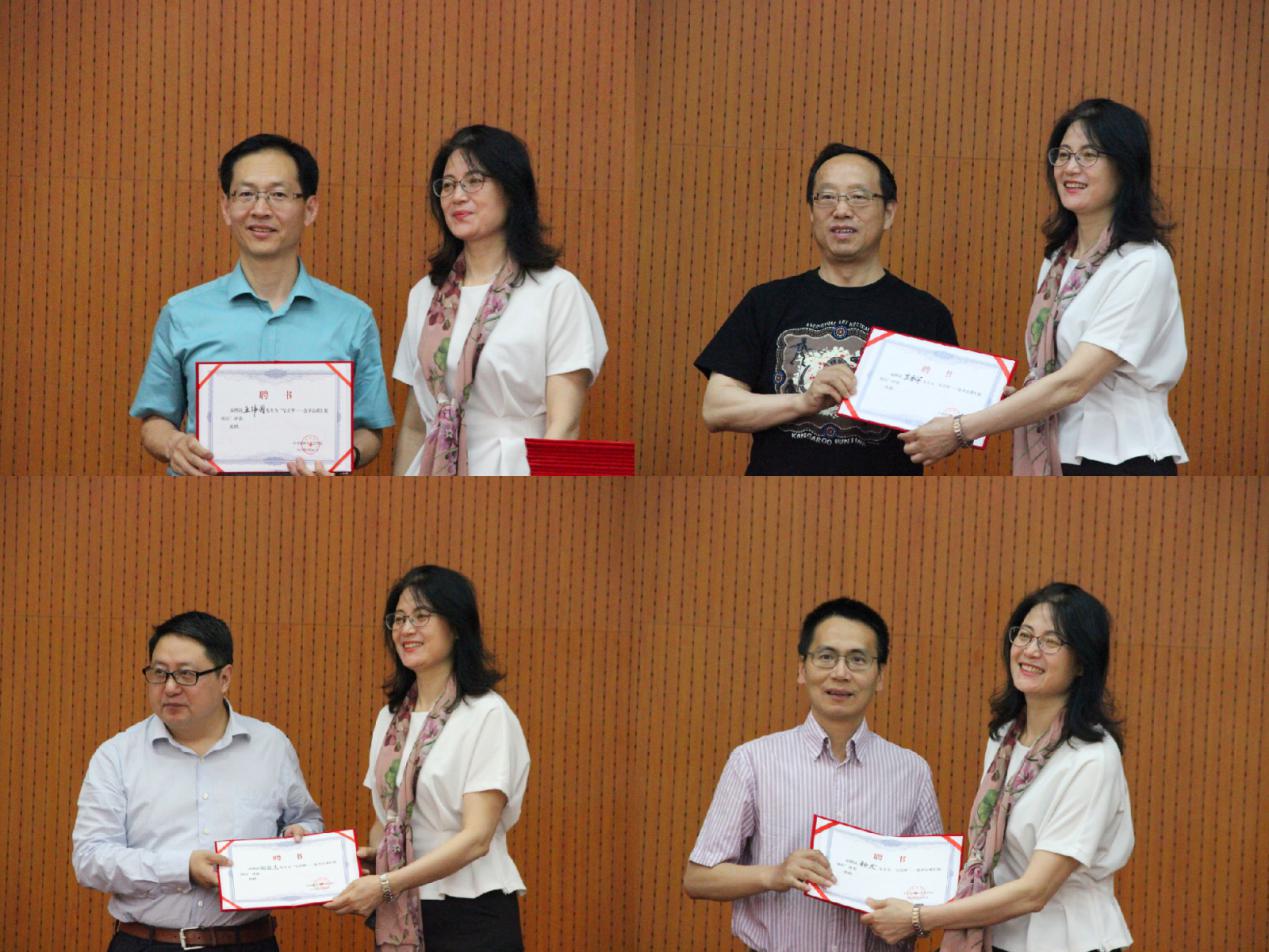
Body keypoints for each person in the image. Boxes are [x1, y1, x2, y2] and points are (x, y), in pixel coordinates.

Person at [900, 99, 1186, 475]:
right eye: (1063, 154)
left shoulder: (1142, 263)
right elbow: (1056, 377)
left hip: (1121, 457)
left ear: (1125, 166)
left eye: (1088, 155)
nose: (1070, 168)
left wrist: (960, 430)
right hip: (1057, 450)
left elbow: (1073, 384)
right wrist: (1009, 401)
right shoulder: (1059, 260)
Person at [862, 583, 1133, 951]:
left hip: (1067, 940)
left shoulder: (1091, 758)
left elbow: (1035, 891)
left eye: (1051, 641)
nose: (1030, 651)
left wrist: (918, 917)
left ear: (1083, 662)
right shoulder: (1005, 737)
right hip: (997, 934)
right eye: (1025, 635)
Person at [684, 597, 943, 952]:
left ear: (880, 675)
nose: (841, 673)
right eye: (826, 657)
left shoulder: (911, 771)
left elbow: (931, 894)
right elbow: (698, 878)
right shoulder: (754, 761)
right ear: (802, 669)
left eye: (858, 659)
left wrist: (914, 918)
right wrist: (774, 875)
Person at [130, 133, 395, 475]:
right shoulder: (182, 313)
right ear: (226, 208)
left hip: (312, 504)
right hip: (203, 503)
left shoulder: (352, 318)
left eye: (278, 195)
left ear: (310, 209)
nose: (260, 210)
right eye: (246, 194)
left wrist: (345, 459)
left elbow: (370, 428)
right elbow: (154, 420)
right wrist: (173, 444)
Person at [695, 144, 958, 475]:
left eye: (858, 197)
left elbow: (948, 421)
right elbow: (716, 410)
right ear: (811, 211)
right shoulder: (766, 302)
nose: (841, 210)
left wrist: (984, 403)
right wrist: (803, 402)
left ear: (889, 212)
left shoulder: (925, 314)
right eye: (827, 197)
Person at [72, 611, 323, 951]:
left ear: (224, 678)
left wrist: (300, 836)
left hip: (247, 942)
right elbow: (90, 859)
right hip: (148, 942)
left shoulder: (271, 747)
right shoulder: (117, 756)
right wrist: (182, 868)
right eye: (159, 673)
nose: (170, 688)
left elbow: (305, 821)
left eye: (186, 674)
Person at [324, 565, 530, 952]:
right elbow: (385, 819)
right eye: (399, 619)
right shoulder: (391, 717)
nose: (406, 629)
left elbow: (476, 839)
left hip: (471, 912)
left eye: (421, 616)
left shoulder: (486, 714)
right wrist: (377, 858)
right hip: (404, 906)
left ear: (457, 626)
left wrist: (386, 884)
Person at [392, 126, 608, 475]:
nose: (457, 196)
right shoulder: (425, 295)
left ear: (511, 189)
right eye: (447, 185)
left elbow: (564, 426)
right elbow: (415, 426)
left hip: (515, 473)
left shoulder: (556, 291)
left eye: (473, 181)